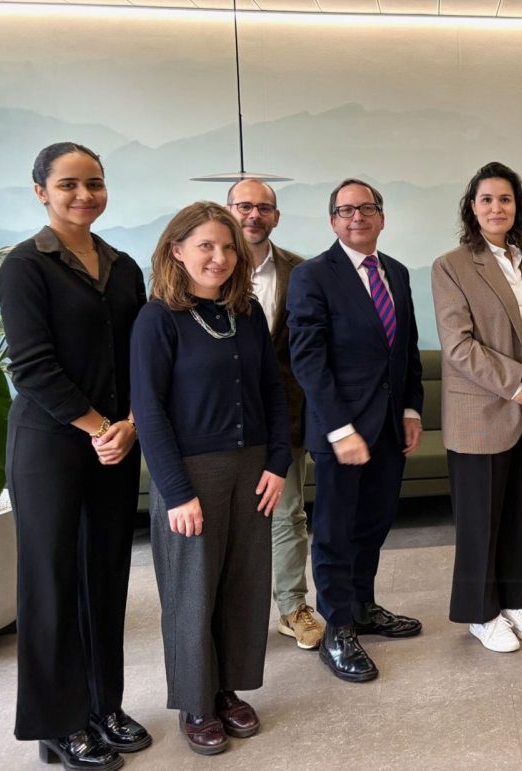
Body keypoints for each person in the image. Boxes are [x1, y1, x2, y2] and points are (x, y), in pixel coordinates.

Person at [0, 143, 149, 770]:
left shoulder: (123, 266)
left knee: (106, 575)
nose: (84, 195)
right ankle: (57, 725)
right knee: (52, 583)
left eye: (94, 183)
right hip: (51, 446)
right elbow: (31, 366)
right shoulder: (24, 266)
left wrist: (130, 424)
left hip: (115, 444)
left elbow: (141, 356)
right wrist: (100, 427)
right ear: (41, 191)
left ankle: (103, 705)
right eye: (68, 184)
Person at [131, 202, 290, 754]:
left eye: (227, 248)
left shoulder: (247, 312)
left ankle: (227, 690)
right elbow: (148, 410)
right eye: (205, 246)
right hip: (192, 474)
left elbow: (273, 391)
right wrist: (176, 492)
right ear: (177, 250)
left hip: (253, 468)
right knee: (192, 593)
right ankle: (196, 702)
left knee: (243, 584)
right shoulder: (157, 319)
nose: (219, 257)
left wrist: (278, 462)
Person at [287, 179, 425, 682]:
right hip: (341, 432)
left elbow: (406, 349)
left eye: (367, 208)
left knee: (373, 525)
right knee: (334, 533)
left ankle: (363, 607)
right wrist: (340, 429)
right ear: (333, 221)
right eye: (346, 210)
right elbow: (308, 360)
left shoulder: (397, 273)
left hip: (388, 428)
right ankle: (338, 628)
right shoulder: (311, 276)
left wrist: (411, 410)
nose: (357, 217)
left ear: (382, 218)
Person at [431, 162, 522, 653]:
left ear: (518, 207)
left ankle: (516, 602)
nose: (497, 207)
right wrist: (518, 388)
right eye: (487, 199)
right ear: (472, 207)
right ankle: (481, 614)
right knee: (481, 522)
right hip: (481, 413)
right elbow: (458, 347)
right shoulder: (452, 265)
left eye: (506, 199)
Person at [225, 178, 324, 650]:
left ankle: (292, 606)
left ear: (276, 217)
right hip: (219, 419)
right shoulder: (205, 267)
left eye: (263, 207)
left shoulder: (300, 272)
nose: (254, 215)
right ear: (228, 211)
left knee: (287, 514)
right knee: (227, 520)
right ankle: (230, 614)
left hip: (285, 414)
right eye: (244, 206)